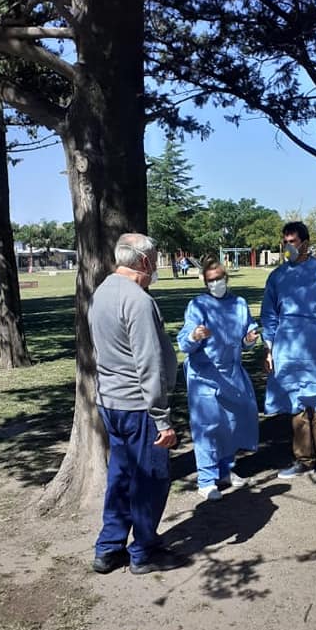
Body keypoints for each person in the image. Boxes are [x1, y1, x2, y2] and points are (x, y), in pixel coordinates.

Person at [89, 233, 179, 575]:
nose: (156, 265)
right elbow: (149, 362)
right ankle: (143, 551)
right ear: (143, 261)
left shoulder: (101, 291)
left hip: (110, 403)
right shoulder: (138, 300)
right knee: (151, 478)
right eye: (155, 259)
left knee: (122, 476)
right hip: (138, 406)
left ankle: (109, 548)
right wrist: (162, 419)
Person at [261, 221, 316, 480]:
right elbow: (269, 314)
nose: (289, 246)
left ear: (305, 243)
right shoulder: (277, 276)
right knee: (296, 406)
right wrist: (268, 349)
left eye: (293, 241)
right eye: (285, 242)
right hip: (287, 348)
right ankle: (303, 458)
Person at [177, 254, 259, 501]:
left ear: (226, 278)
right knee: (207, 427)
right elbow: (183, 343)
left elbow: (245, 339)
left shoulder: (239, 304)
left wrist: (249, 341)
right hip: (204, 376)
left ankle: (225, 470)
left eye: (219, 278)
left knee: (229, 425)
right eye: (210, 280)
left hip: (231, 374)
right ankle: (205, 480)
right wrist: (195, 336)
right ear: (205, 282)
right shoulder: (198, 305)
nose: (215, 283)